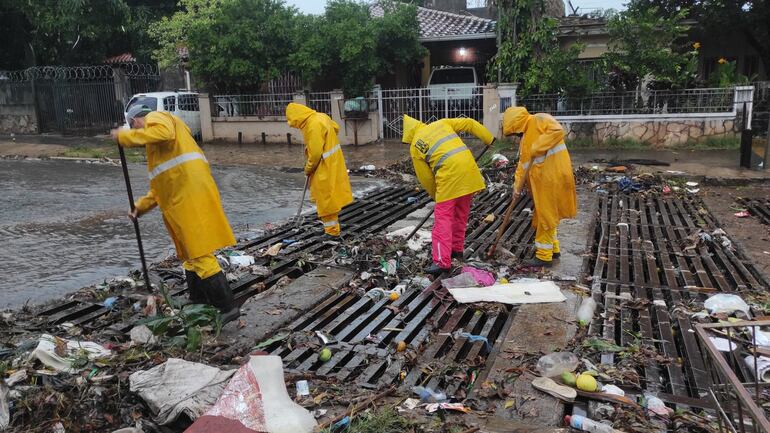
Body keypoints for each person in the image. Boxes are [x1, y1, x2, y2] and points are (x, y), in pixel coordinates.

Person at [110, 104, 239, 322]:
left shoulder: (157, 117)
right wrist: (138, 208)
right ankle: (199, 300)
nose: (138, 131)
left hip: (188, 195)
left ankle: (227, 307)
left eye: (134, 126)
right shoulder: (160, 149)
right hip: (182, 196)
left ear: (137, 120)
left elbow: (163, 132)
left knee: (199, 253)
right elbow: (159, 189)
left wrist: (126, 136)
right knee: (189, 255)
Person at [402, 115, 495, 276]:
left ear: (408, 135)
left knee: (442, 221)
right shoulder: (441, 123)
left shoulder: (415, 146)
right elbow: (470, 123)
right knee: (460, 214)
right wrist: (489, 138)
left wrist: (437, 197)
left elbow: (426, 179)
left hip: (450, 177)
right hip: (469, 172)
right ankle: (456, 251)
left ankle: (441, 262)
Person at [502, 106, 577, 268]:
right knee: (549, 214)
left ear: (518, 124)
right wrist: (516, 187)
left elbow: (558, 131)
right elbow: (523, 165)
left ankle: (543, 257)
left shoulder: (540, 119)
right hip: (544, 180)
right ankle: (553, 249)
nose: (517, 136)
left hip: (553, 176)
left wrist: (539, 145)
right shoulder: (525, 138)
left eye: (516, 132)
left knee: (546, 215)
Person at [286, 103, 353, 237]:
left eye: (294, 122)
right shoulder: (321, 117)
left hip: (324, 166)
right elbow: (336, 128)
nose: (295, 126)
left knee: (324, 198)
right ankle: (332, 228)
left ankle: (332, 232)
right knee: (330, 195)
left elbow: (315, 153)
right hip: (334, 162)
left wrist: (308, 167)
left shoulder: (312, 125)